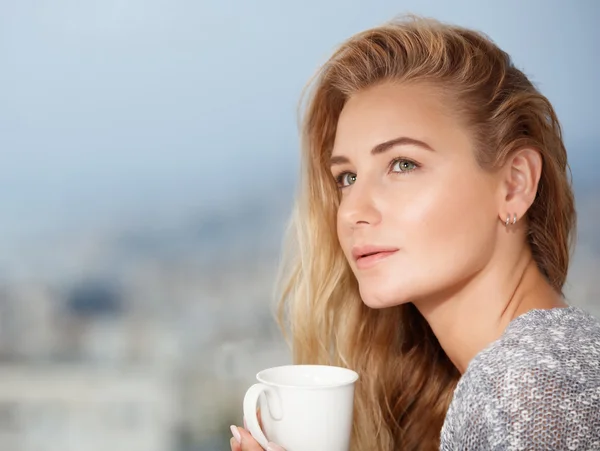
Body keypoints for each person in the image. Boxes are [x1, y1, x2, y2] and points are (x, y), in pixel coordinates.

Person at [229, 15, 600, 451]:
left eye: (403, 164)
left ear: (514, 184)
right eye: (346, 177)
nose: (353, 211)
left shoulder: (524, 392)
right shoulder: (542, 367)